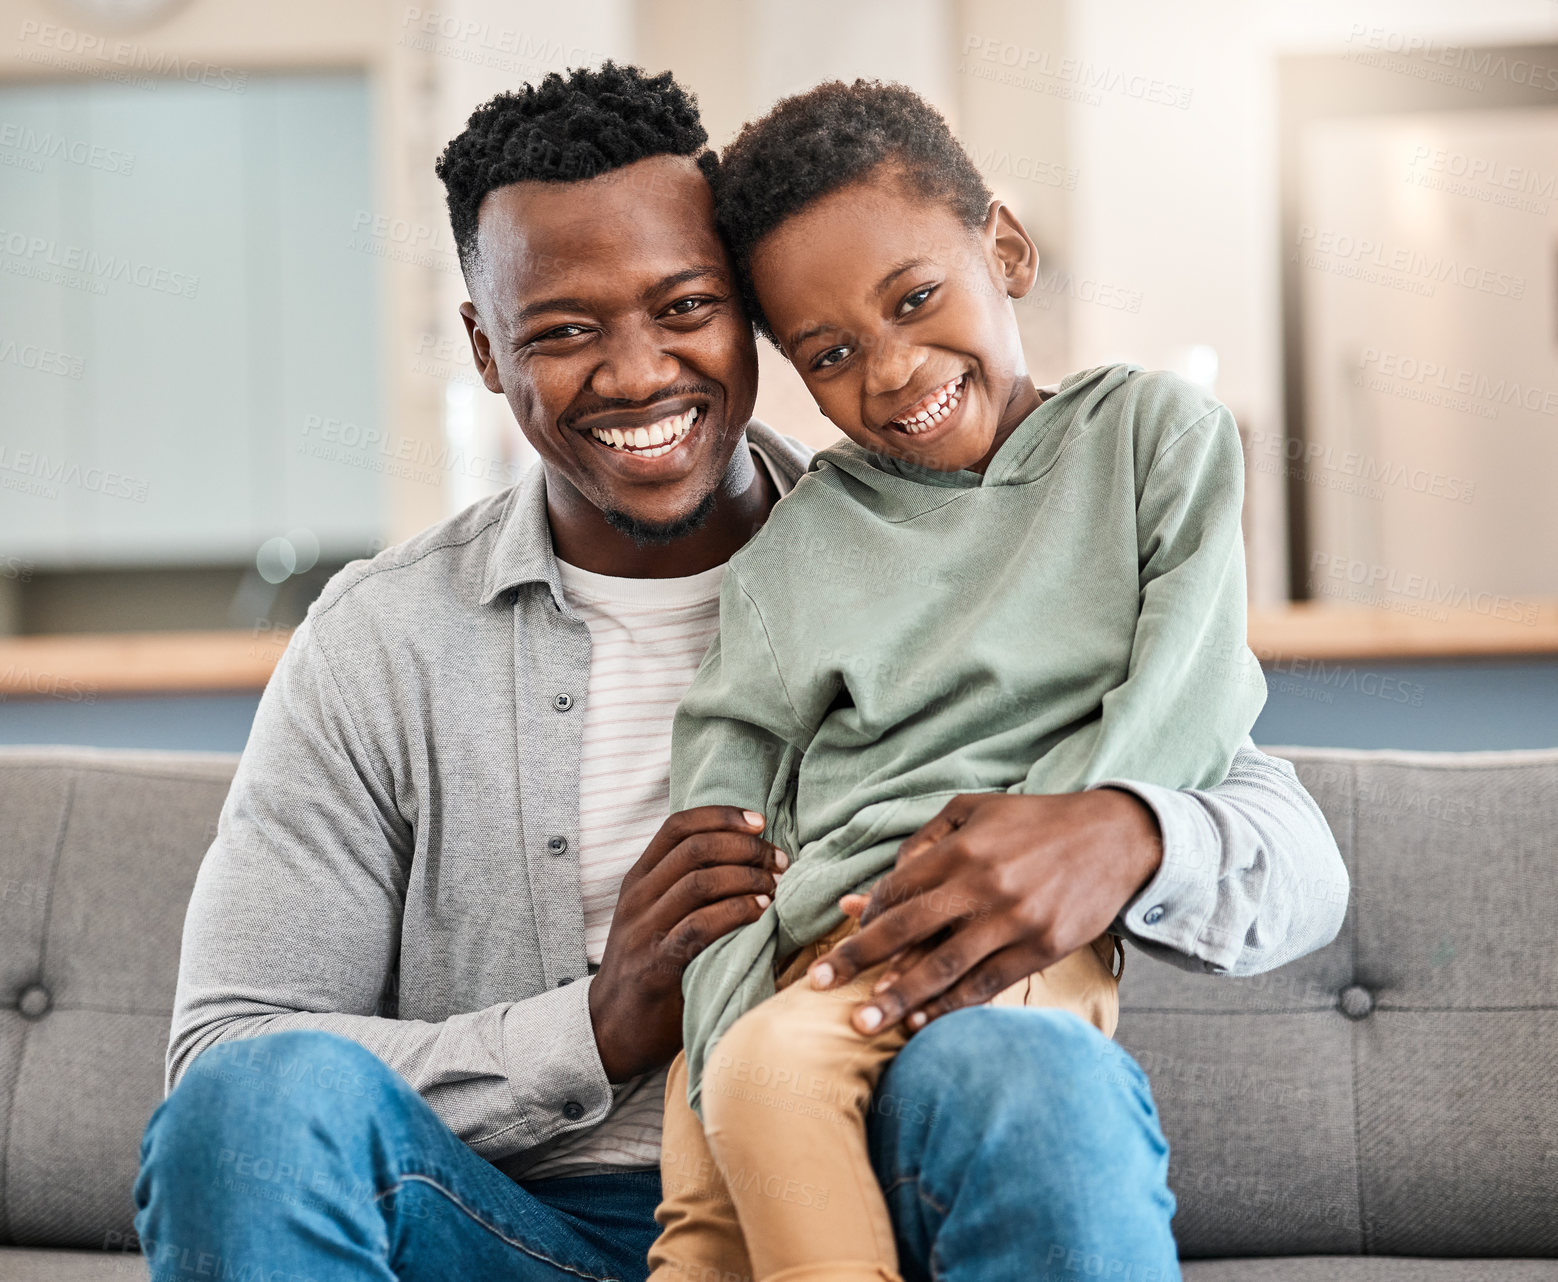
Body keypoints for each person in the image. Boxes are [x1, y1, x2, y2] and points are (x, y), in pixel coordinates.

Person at [132, 64, 1347, 1282]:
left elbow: (1293, 858)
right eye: (561, 330)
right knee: (256, 1109)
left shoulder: (959, 541)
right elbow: (231, 1055)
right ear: (485, 350)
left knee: (1034, 1068)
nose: (636, 373)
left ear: (751, 314)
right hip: (509, 1229)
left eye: (684, 307)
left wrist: (1123, 829)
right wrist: (596, 1029)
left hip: (868, 1191)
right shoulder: (379, 643)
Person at [647, 79, 1267, 1282]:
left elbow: (1188, 690)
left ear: (1007, 251)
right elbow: (723, 786)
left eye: (916, 298)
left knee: (769, 1079)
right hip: (807, 946)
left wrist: (1053, 842)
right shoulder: (794, 552)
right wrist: (718, 1023)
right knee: (707, 1200)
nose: (890, 370)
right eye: (830, 353)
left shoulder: (1154, 440)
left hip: (1007, 920)